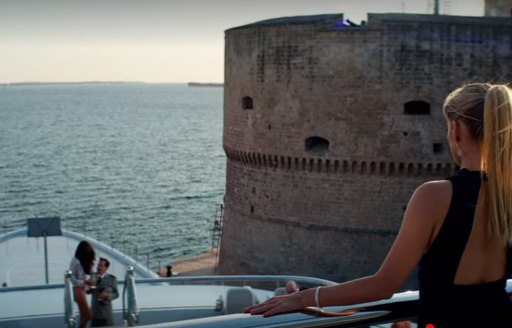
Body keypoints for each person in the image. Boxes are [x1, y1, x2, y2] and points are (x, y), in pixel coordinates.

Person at [245, 83, 512, 327]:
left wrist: (303, 298)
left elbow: (383, 286)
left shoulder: (435, 196)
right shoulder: (507, 194)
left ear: (455, 130)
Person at [69, 240, 96, 328]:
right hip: (78, 290)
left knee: (85, 314)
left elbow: (82, 276)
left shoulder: (80, 261)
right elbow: (72, 278)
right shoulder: (75, 261)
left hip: (81, 290)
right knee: (88, 315)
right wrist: (84, 282)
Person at [91, 257, 119, 327]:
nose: (98, 267)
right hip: (95, 313)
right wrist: (88, 287)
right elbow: (88, 291)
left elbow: (116, 294)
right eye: (98, 265)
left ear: (106, 268)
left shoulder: (111, 279)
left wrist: (108, 295)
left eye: (101, 266)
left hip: (106, 314)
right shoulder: (93, 277)